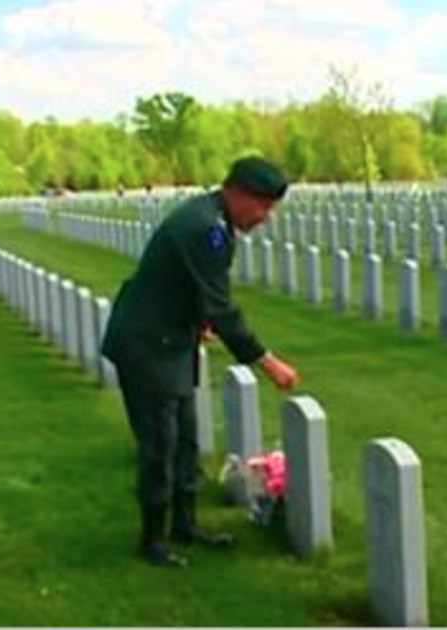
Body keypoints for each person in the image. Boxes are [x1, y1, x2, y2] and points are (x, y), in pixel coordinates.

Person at [101, 156, 301, 567]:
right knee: (161, 445)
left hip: (172, 340)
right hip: (148, 345)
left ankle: (185, 525)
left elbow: (192, 288)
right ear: (238, 193)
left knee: (186, 441)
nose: (266, 217)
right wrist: (268, 362)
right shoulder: (205, 227)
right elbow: (222, 305)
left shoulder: (214, 219)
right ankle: (153, 541)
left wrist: (199, 321)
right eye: (262, 206)